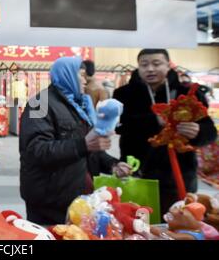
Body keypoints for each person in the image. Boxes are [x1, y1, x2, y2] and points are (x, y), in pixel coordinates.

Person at [19, 57, 132, 225]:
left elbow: (89, 148)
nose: (85, 80)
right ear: (67, 75)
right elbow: (35, 150)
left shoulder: (81, 104)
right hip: (50, 200)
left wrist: (112, 164)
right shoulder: (39, 103)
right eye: (81, 75)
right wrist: (83, 144)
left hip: (81, 196)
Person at [113, 49, 217, 216]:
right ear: (138, 67)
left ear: (168, 65)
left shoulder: (188, 94)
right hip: (137, 170)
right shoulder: (123, 94)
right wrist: (153, 120)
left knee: (180, 221)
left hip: (179, 174)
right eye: (144, 65)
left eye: (156, 63)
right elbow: (119, 126)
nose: (150, 69)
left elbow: (211, 132)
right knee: (138, 221)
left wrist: (199, 131)